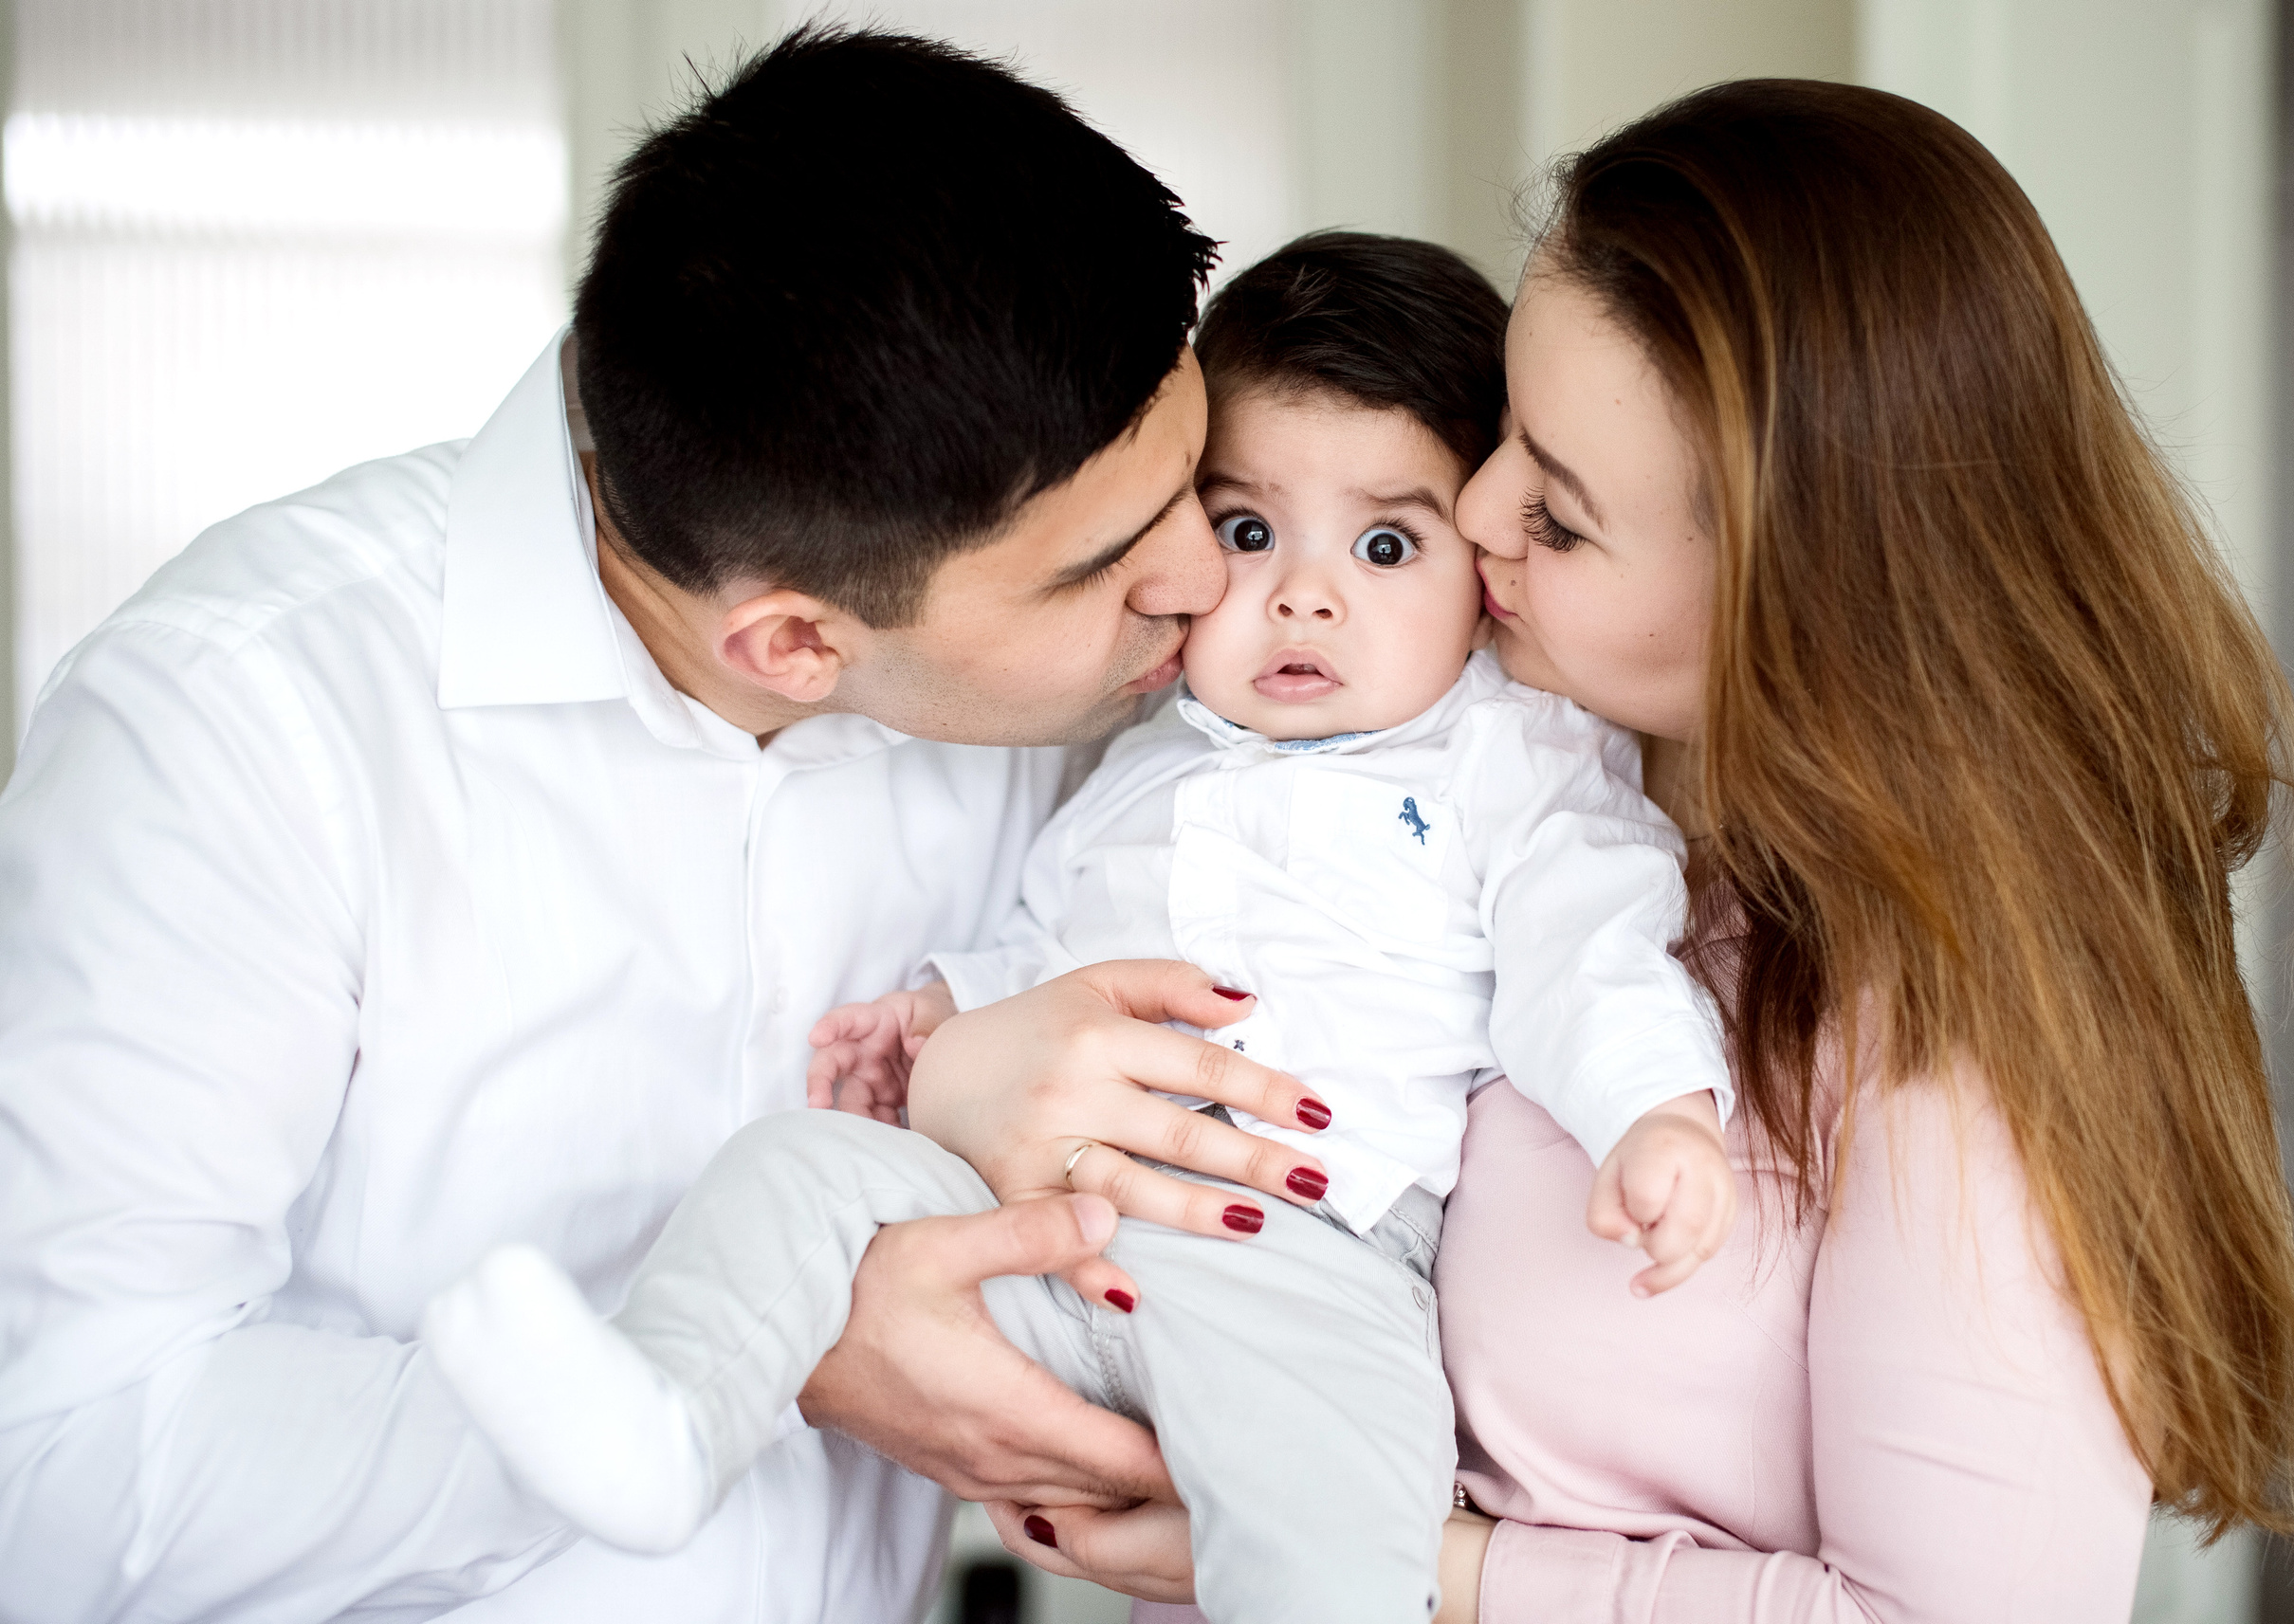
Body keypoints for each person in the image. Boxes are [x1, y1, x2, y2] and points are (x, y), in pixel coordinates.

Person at [0, 28, 1336, 1623]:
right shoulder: (241, 723)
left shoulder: (1104, 692)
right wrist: (763, 1352)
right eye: (1105, 561)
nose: (1205, 576)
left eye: (1197, 481)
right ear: (794, 644)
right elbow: (58, 1468)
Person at [1009, 81, 2294, 1623]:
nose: (1477, 509)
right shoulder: (1502, 773)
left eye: (1560, 516)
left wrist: (1398, 1559)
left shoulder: (1955, 1017)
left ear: (1792, 592)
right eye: (1508, 429)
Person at [417, 231, 1737, 1624]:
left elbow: (1589, 943)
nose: (1304, 593)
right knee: (793, 1170)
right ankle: (673, 1413)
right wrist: (942, 1012)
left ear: (1481, 577)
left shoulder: (1510, 755)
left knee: (1335, 1534)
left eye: (1386, 545)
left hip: (1301, 1252)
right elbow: (1058, 944)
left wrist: (1652, 1106)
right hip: (1043, 1236)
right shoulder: (1144, 752)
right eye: (1246, 532)